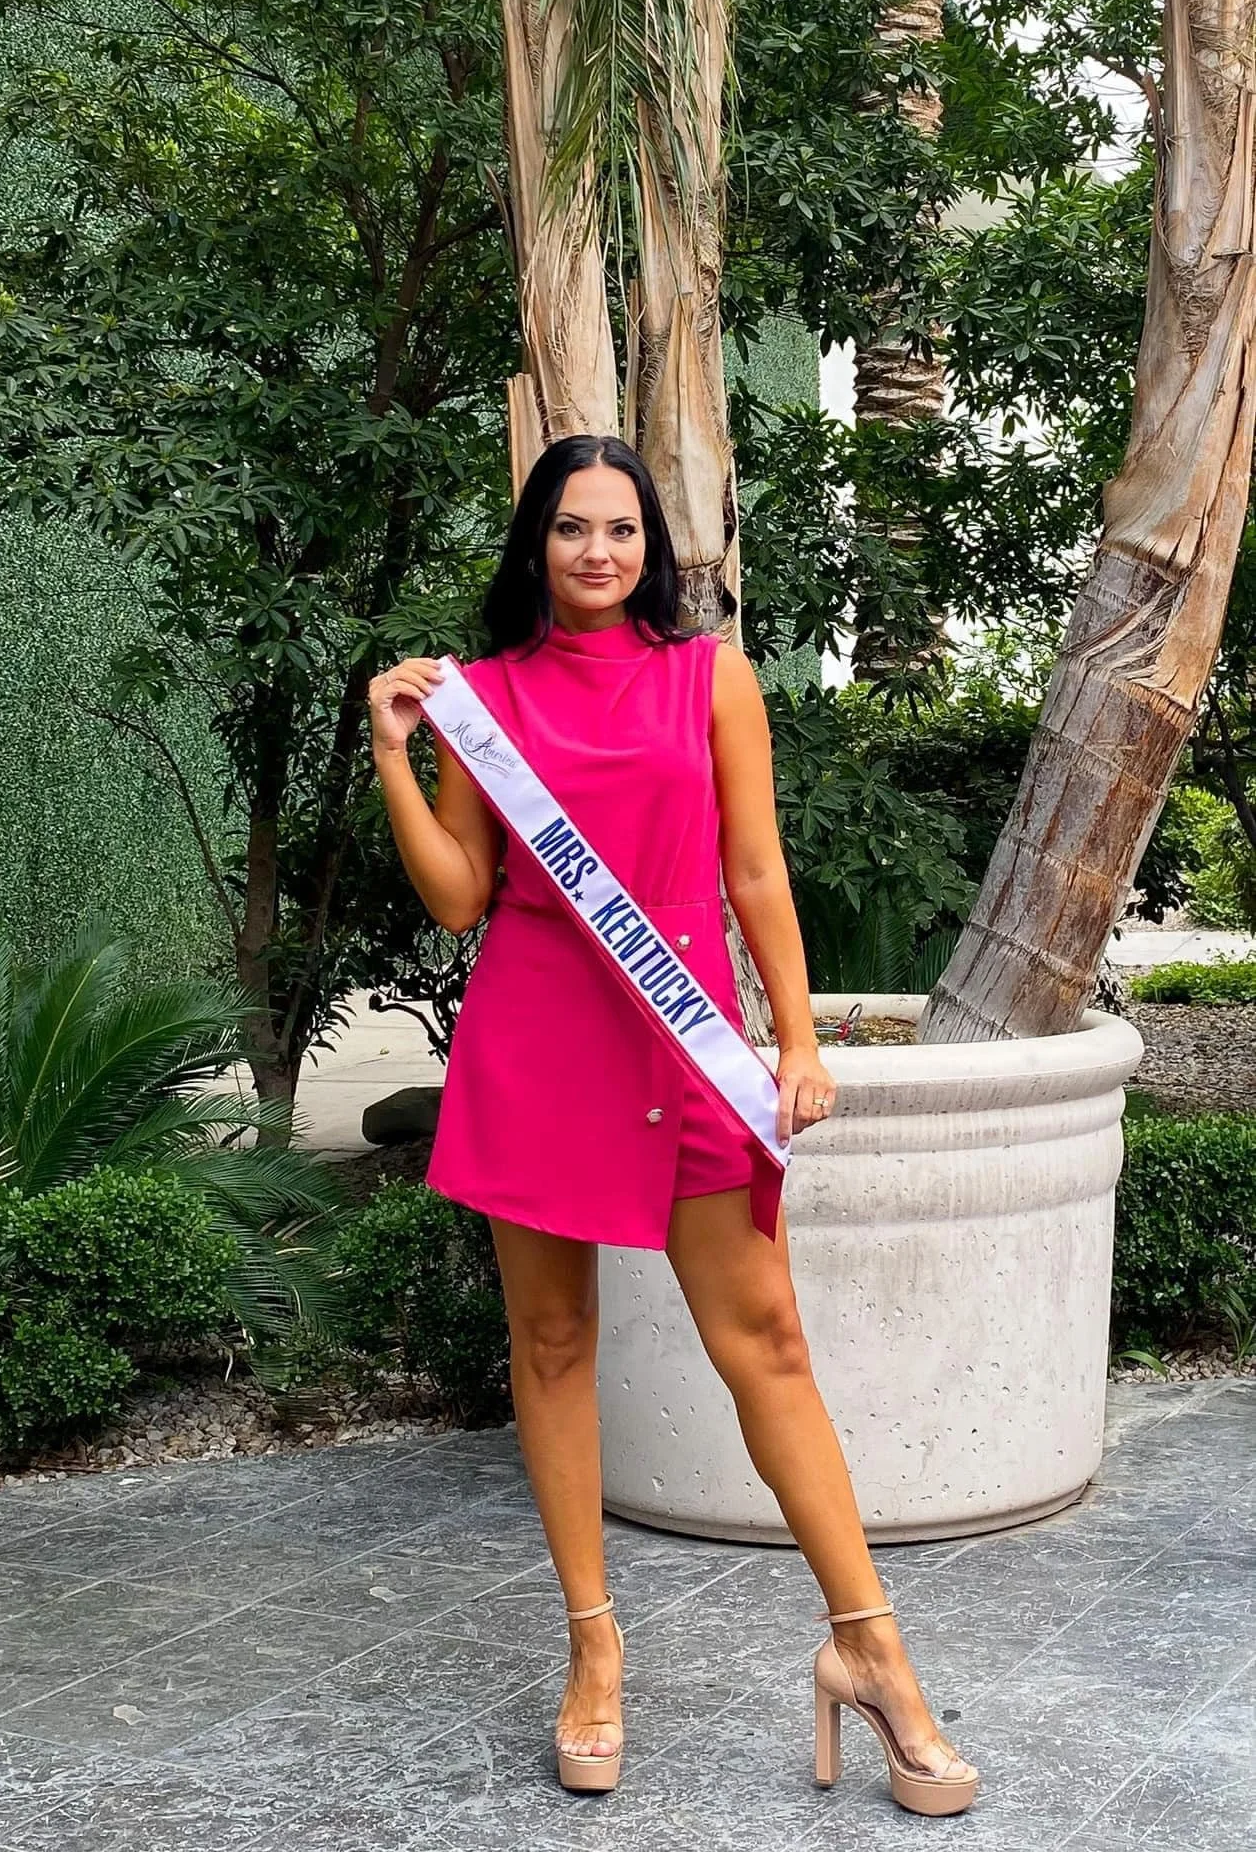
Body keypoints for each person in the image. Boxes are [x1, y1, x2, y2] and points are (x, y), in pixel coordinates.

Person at [366, 433, 979, 1815]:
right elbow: (460, 899)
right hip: (539, 1042)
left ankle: (870, 1649)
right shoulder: (483, 699)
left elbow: (755, 868)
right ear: (535, 546)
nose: (598, 552)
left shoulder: (710, 676)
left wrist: (797, 1039)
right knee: (552, 1342)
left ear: (652, 546)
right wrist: (397, 752)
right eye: (571, 528)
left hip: (684, 1033)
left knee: (768, 1339)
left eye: (622, 529)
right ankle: (594, 1649)